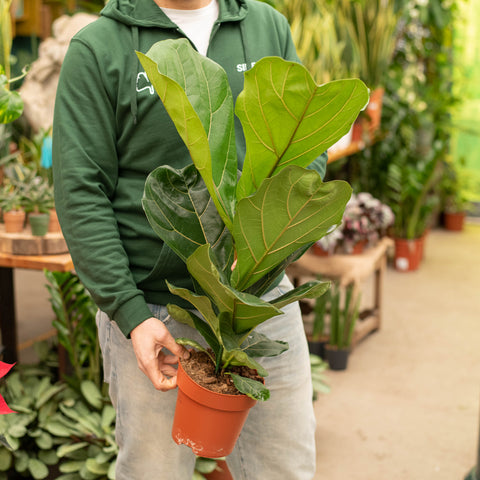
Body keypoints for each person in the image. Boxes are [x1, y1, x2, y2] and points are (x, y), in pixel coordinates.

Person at [52, 0, 327, 478]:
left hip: (261, 301)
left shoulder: (266, 26)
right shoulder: (99, 47)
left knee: (285, 466)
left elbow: (307, 152)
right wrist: (130, 313)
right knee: (153, 471)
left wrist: (272, 244)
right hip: (155, 314)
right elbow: (80, 192)